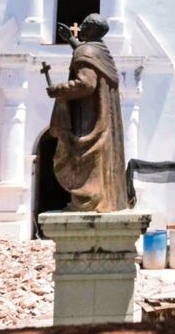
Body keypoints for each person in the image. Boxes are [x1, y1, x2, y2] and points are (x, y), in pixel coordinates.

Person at [46, 14, 129, 212]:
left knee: (83, 157)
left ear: (91, 30)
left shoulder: (87, 51)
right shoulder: (101, 51)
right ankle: (106, 200)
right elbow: (89, 58)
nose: (80, 27)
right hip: (103, 118)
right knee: (101, 160)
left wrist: (59, 89)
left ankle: (89, 200)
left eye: (84, 25)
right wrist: (72, 42)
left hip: (89, 119)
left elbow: (86, 84)